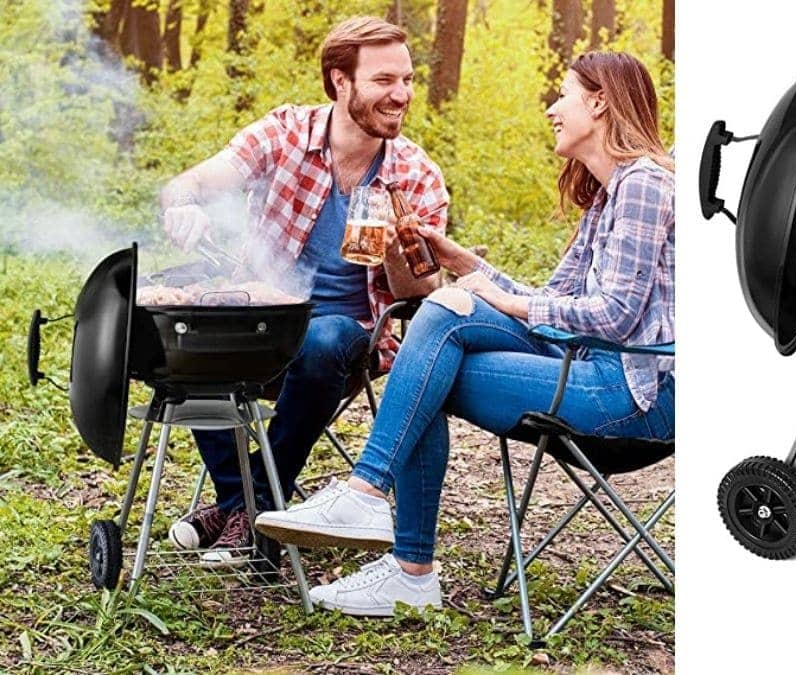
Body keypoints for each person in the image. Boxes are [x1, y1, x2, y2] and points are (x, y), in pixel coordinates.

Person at [253, 50, 675, 616]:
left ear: (599, 102)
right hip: (589, 365)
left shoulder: (644, 184)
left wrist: (500, 301)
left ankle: (392, 538)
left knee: (430, 362)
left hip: (634, 392)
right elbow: (555, 296)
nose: (552, 109)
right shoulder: (606, 195)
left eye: (564, 95)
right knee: (438, 335)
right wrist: (459, 264)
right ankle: (387, 536)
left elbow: (616, 314)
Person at [157, 17, 448, 566]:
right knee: (189, 333)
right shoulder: (286, 133)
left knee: (325, 336)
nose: (402, 95)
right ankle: (247, 507)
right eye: (385, 80)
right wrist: (184, 204)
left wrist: (392, 244)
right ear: (341, 82)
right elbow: (196, 178)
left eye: (407, 80)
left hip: (351, 338)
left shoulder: (415, 175)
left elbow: (425, 291)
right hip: (263, 320)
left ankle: (252, 505)